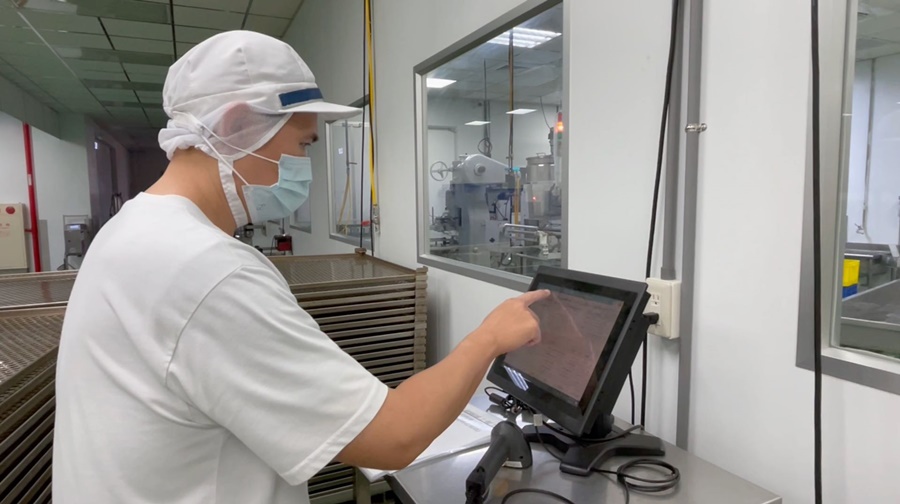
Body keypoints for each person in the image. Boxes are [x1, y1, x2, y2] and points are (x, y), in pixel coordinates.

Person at [52, 30, 548, 504]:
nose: (305, 164)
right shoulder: (206, 269)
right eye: (304, 144)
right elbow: (393, 437)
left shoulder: (131, 227)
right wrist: (488, 337)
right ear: (237, 125)